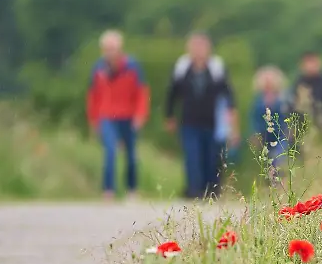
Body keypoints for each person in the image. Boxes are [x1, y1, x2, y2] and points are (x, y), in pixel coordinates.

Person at [164, 32, 238, 199]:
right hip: (189, 120)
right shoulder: (182, 67)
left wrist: (231, 121)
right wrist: (169, 116)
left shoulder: (216, 68)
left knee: (212, 157)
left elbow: (229, 96)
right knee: (192, 155)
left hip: (212, 122)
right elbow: (172, 93)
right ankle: (194, 190)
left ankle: (212, 190)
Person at [86, 29, 150, 202]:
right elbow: (93, 96)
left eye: (113, 48)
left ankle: (132, 189)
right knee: (110, 151)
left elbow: (141, 93)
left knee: (131, 154)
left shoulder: (132, 66)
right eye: (107, 49)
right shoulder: (98, 69)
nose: (110, 52)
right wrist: (93, 120)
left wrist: (140, 115)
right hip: (106, 116)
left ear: (120, 49)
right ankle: (108, 190)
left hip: (128, 116)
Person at [249, 66, 293, 182]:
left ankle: (281, 184)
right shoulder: (258, 101)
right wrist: (255, 134)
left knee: (280, 159)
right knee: (267, 161)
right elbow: (254, 118)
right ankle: (272, 185)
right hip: (264, 136)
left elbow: (288, 116)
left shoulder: (283, 99)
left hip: (281, 135)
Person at [291, 51, 322, 144]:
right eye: (307, 63)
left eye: (312, 62)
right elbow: (293, 105)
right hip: (304, 125)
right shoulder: (299, 83)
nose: (310, 66)